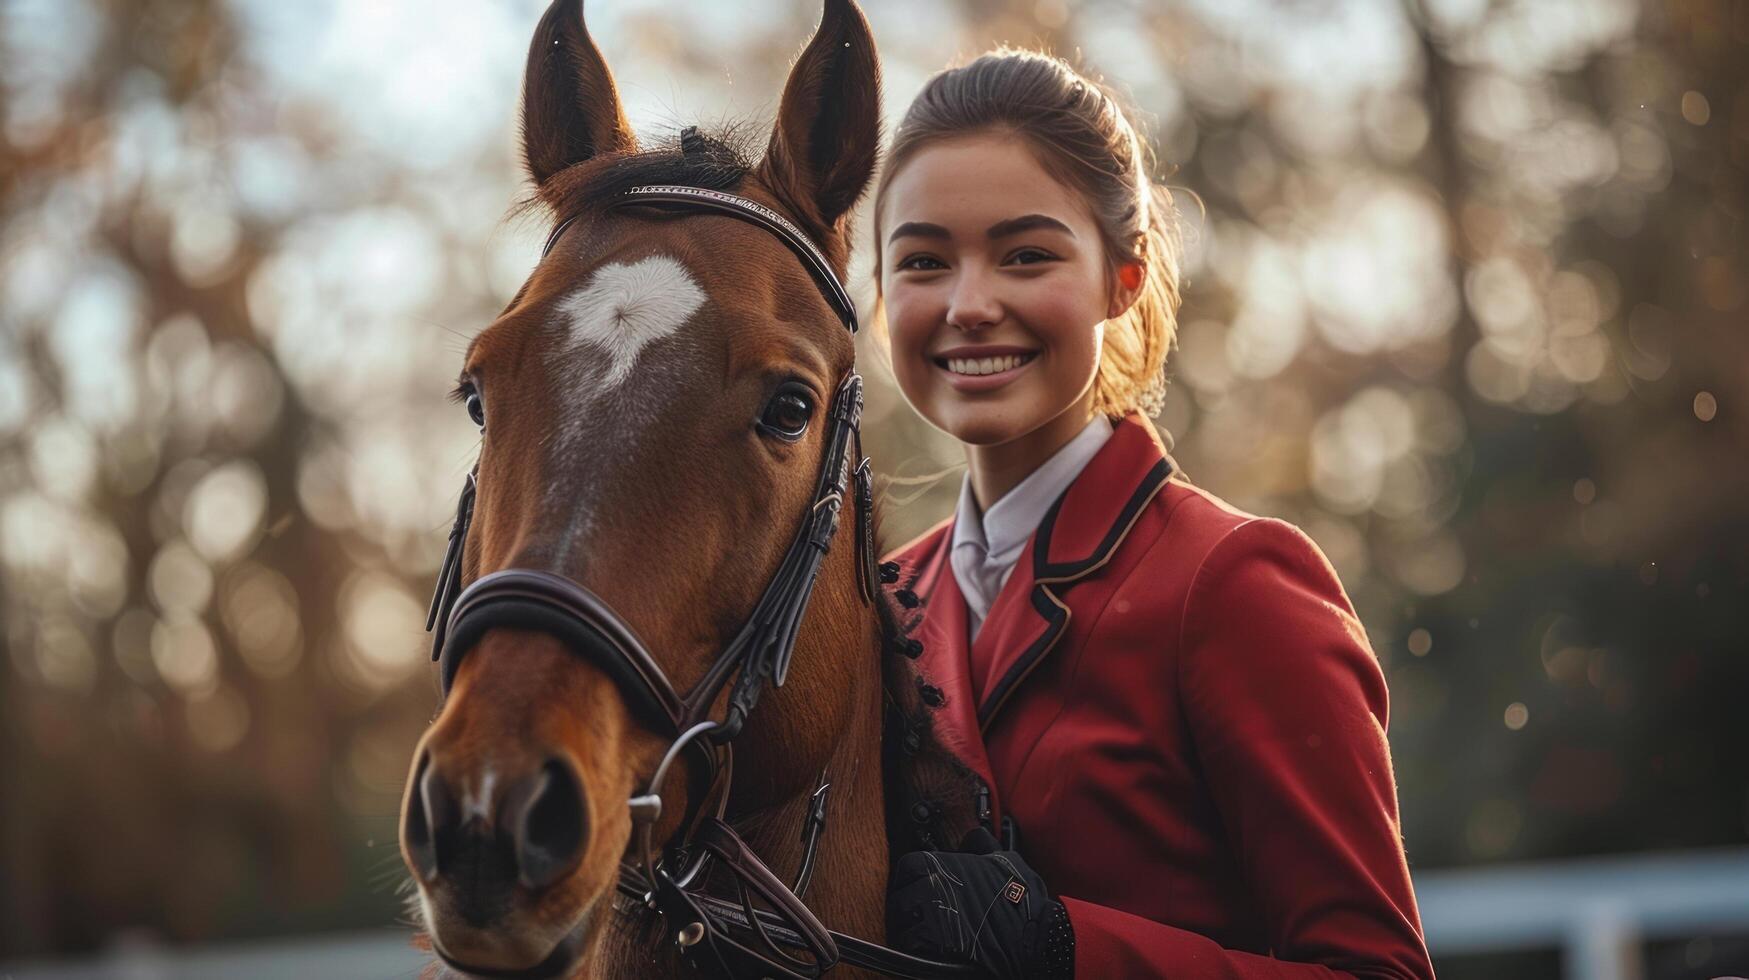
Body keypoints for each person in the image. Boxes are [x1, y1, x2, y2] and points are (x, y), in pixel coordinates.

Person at [874, 49, 1436, 979]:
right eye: (924, 262)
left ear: (1120, 280)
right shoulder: (877, 603)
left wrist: (1068, 948)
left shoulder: (1235, 582)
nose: (969, 304)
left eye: (1025, 255)